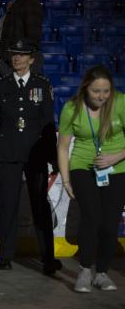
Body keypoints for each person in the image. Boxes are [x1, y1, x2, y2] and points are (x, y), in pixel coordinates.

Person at [0, 39, 61, 275]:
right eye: (13, 54)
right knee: (8, 206)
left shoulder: (42, 84)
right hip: (8, 154)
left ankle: (48, 258)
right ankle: (6, 256)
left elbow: (49, 124)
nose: (17, 58)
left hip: (36, 155)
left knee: (40, 206)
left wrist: (53, 157)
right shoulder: (0, 85)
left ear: (31, 59)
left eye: (22, 54)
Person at [58, 65, 125, 292]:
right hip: (83, 166)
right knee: (92, 217)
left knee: (109, 222)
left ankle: (103, 273)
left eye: (106, 91)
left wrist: (114, 157)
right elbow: (63, 147)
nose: (102, 96)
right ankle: (85, 270)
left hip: (117, 168)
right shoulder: (71, 108)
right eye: (97, 91)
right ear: (86, 87)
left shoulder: (120, 103)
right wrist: (66, 180)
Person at [0, 0, 44, 72]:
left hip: (20, 62)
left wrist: (21, 56)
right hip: (12, 58)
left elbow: (33, 36)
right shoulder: (19, 2)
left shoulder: (30, 3)